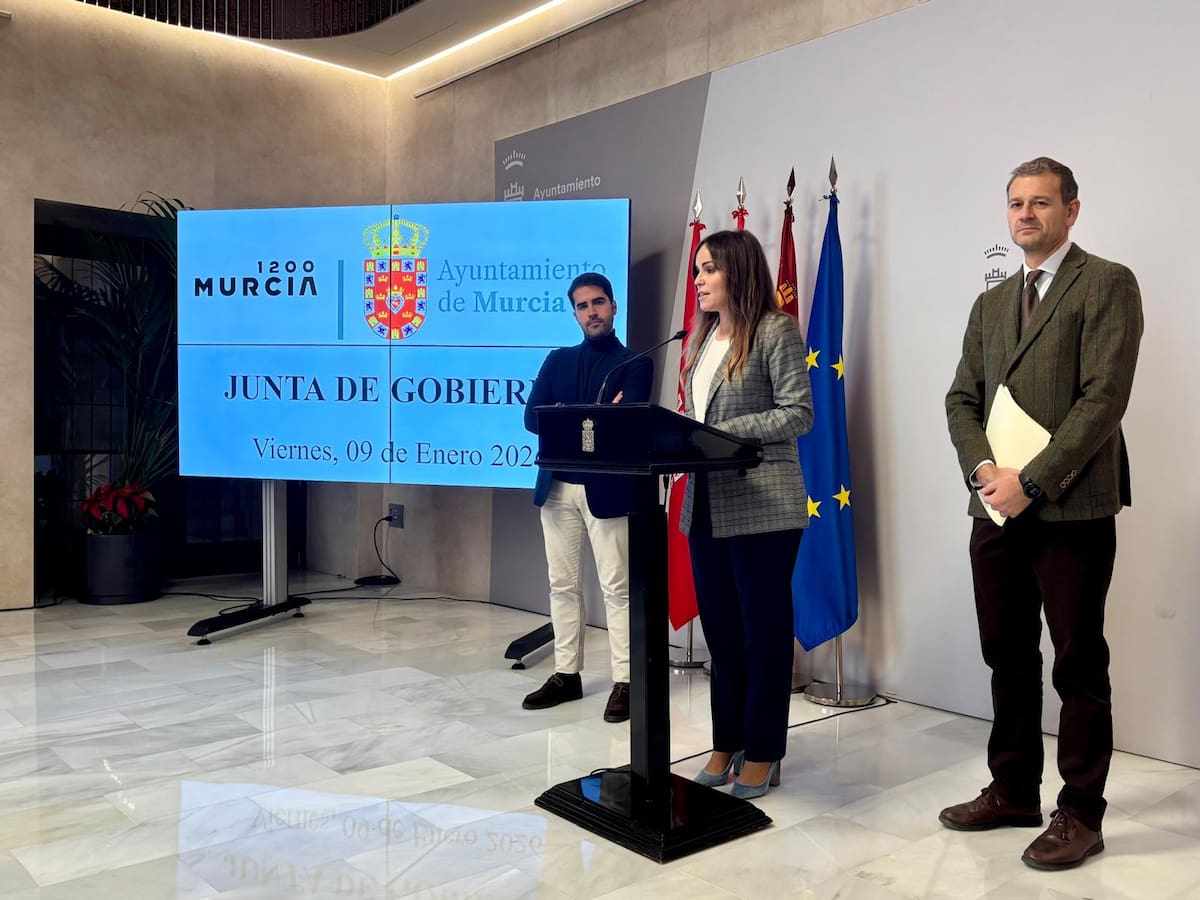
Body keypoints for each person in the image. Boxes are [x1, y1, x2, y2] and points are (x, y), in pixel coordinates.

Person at [943, 157, 1143, 870]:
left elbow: (1103, 399)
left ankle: (1081, 813)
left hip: (1071, 506)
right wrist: (984, 473)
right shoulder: (991, 303)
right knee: (1006, 653)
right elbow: (961, 399)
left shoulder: (1108, 282)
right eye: (1016, 203)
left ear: (1071, 211)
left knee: (1077, 662)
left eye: (1040, 202)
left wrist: (1033, 479)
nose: (1025, 214)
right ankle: (1013, 790)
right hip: (995, 509)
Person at [679, 229, 812, 799]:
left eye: (709, 269)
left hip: (764, 506)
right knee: (722, 635)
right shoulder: (701, 338)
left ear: (738, 271)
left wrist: (723, 434)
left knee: (763, 635)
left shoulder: (775, 330)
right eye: (697, 271)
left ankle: (763, 751)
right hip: (705, 505)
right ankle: (725, 742)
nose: (700, 280)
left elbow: (798, 412)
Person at [521, 272, 653, 723]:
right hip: (557, 487)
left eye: (598, 302)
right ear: (575, 314)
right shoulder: (557, 360)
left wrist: (565, 415)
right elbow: (532, 419)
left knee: (617, 587)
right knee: (562, 585)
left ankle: (626, 681)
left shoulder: (635, 363)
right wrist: (593, 416)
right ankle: (566, 675)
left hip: (608, 489)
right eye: (582, 306)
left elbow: (625, 424)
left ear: (614, 306)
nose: (591, 312)